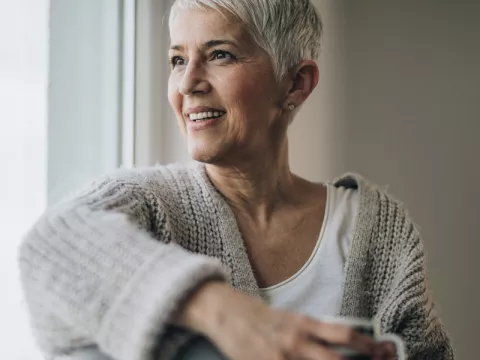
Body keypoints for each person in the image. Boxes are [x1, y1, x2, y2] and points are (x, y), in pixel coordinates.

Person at [19, 0, 454, 359]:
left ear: (296, 84)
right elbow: (51, 244)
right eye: (177, 59)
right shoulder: (148, 202)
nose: (187, 82)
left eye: (219, 54)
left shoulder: (375, 228)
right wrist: (223, 313)